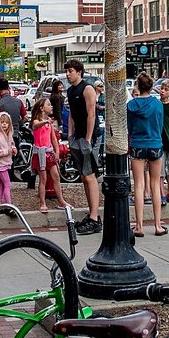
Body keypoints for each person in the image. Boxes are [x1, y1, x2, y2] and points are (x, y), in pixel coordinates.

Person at [128, 72, 167, 237]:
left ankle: (139, 226)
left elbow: (129, 127)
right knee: (155, 184)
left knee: (138, 184)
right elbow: (160, 124)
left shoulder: (131, 105)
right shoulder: (158, 104)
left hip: (137, 143)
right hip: (154, 143)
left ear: (137, 86)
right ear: (151, 87)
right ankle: (158, 225)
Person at [65, 59, 101, 234]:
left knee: (90, 175)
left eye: (70, 71)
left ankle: (95, 217)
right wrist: (70, 135)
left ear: (79, 72)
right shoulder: (71, 90)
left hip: (88, 138)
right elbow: (71, 113)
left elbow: (92, 114)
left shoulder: (87, 89)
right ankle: (91, 213)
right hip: (76, 137)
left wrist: (88, 138)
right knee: (83, 176)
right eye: (67, 71)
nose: (68, 74)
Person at [29, 97, 63, 213]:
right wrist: (46, 122)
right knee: (43, 179)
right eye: (49, 105)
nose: (51, 106)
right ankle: (42, 203)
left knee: (56, 177)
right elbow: (36, 125)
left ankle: (61, 201)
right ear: (42, 108)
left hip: (49, 153)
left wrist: (57, 152)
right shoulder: (37, 121)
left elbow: (53, 139)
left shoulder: (49, 123)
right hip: (40, 153)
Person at [0, 111, 17, 205]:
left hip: (5, 163)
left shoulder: (9, 136)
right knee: (7, 184)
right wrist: (6, 152)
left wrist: (13, 149)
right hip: (0, 164)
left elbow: (11, 145)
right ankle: (8, 204)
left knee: (2, 184)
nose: (4, 124)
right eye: (2, 122)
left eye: (6, 122)